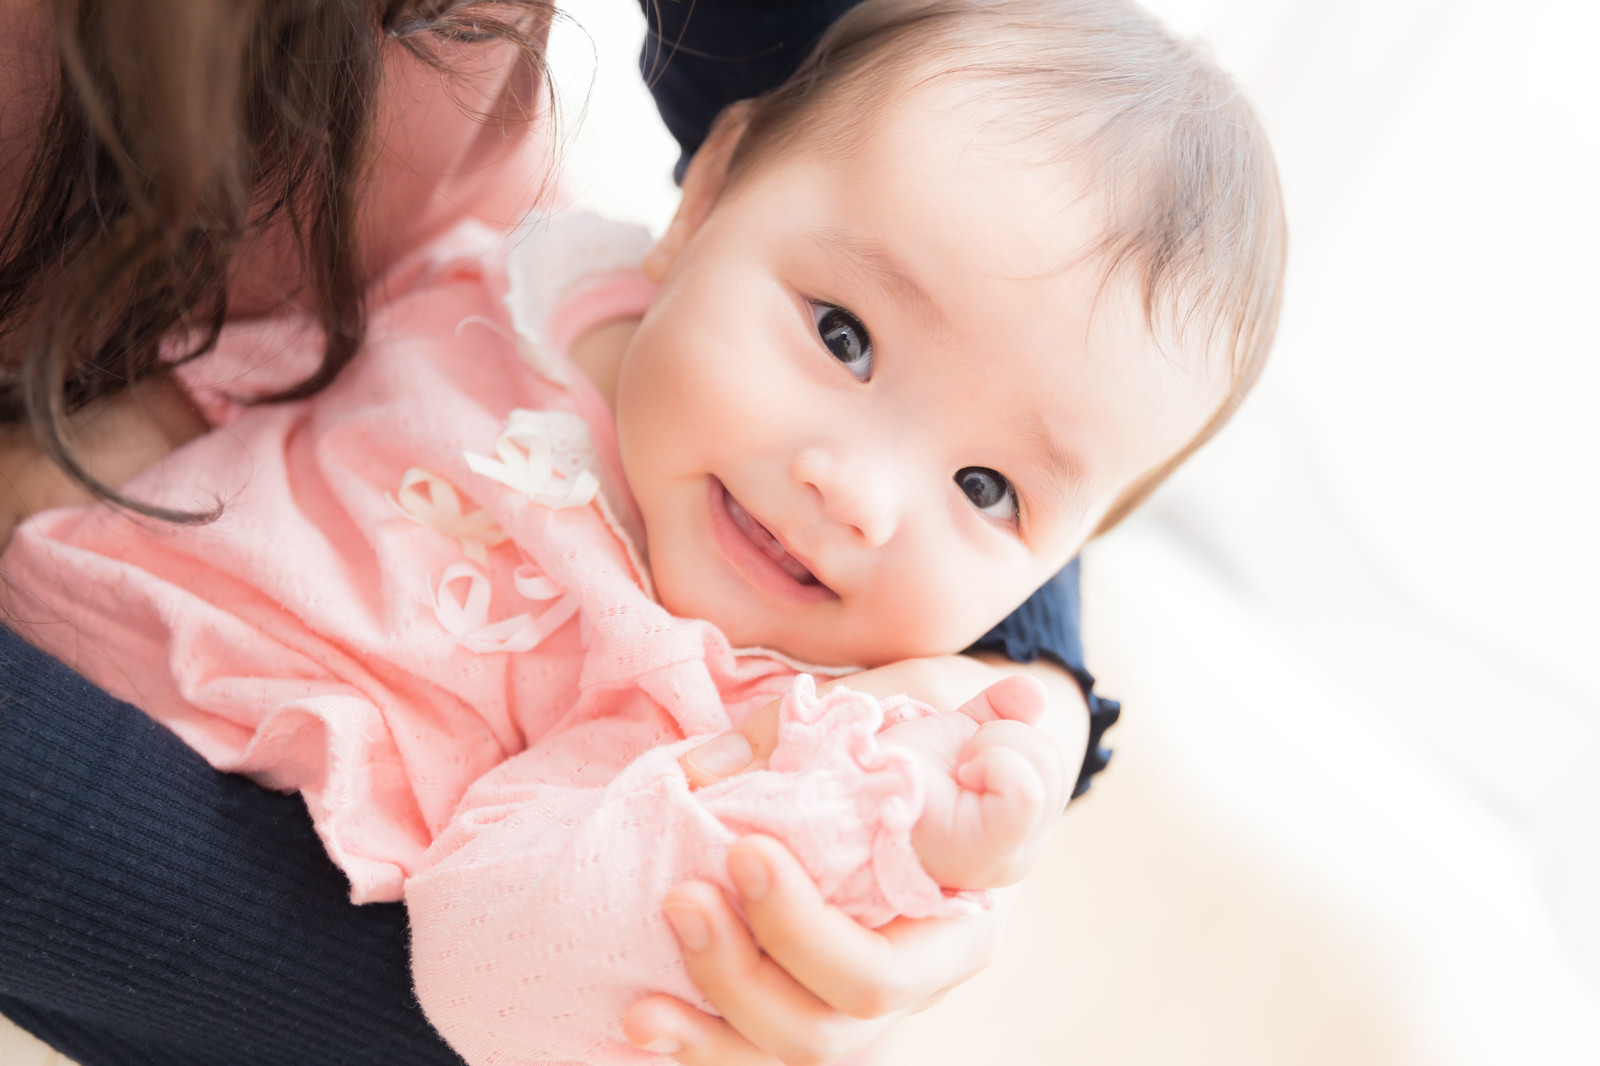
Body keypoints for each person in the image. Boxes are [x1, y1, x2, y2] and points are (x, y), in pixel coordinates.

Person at [0, 0, 1284, 1062]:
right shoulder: (537, 286)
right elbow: (306, 317)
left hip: (204, 796)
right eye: (844, 337)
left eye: (988, 489)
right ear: (703, 196)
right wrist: (123, 431)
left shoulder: (732, 723)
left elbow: (498, 956)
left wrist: (945, 769)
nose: (861, 495)